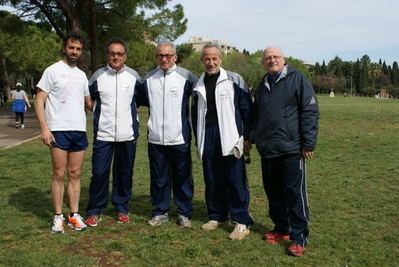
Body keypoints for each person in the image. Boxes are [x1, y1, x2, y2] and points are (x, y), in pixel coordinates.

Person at [250, 46, 319, 257]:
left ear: (283, 59)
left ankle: (299, 237)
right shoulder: (262, 85)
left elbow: (310, 110)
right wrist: (252, 138)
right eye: (268, 58)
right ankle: (281, 228)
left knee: (294, 193)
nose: (272, 60)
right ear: (263, 63)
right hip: (268, 149)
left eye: (275, 57)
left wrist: (308, 143)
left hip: (291, 148)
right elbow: (256, 115)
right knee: (273, 191)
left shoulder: (297, 80)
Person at [191, 42, 254, 240]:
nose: (211, 62)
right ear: (202, 60)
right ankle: (217, 216)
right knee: (212, 178)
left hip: (230, 134)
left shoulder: (234, 80)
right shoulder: (198, 84)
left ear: (220, 59)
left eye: (214, 58)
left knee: (235, 179)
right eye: (207, 59)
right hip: (208, 134)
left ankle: (241, 221)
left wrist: (248, 136)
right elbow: (195, 115)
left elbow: (247, 111)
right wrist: (198, 140)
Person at [35, 30, 92, 234]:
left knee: (75, 174)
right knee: (59, 174)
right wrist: (44, 128)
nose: (74, 51)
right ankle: (58, 216)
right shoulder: (52, 71)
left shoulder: (82, 75)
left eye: (78, 49)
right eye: (71, 47)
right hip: (58, 130)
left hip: (79, 129)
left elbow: (88, 103)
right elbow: (39, 100)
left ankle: (74, 215)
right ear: (64, 48)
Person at [139, 41, 197, 228]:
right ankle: (160, 211)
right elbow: (137, 101)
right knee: (158, 176)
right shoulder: (148, 79)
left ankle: (184, 212)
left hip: (179, 137)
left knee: (182, 176)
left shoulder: (187, 77)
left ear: (175, 57)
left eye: (168, 56)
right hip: (155, 138)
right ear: (156, 57)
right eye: (160, 56)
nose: (164, 59)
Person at [85, 38, 142, 226]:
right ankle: (95, 210)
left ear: (125, 56)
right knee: (99, 173)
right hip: (103, 135)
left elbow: (139, 100)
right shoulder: (98, 76)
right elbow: (88, 98)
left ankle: (122, 207)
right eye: (112, 53)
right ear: (107, 55)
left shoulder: (134, 77)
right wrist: (98, 114)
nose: (115, 57)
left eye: (119, 54)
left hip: (127, 136)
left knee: (124, 173)